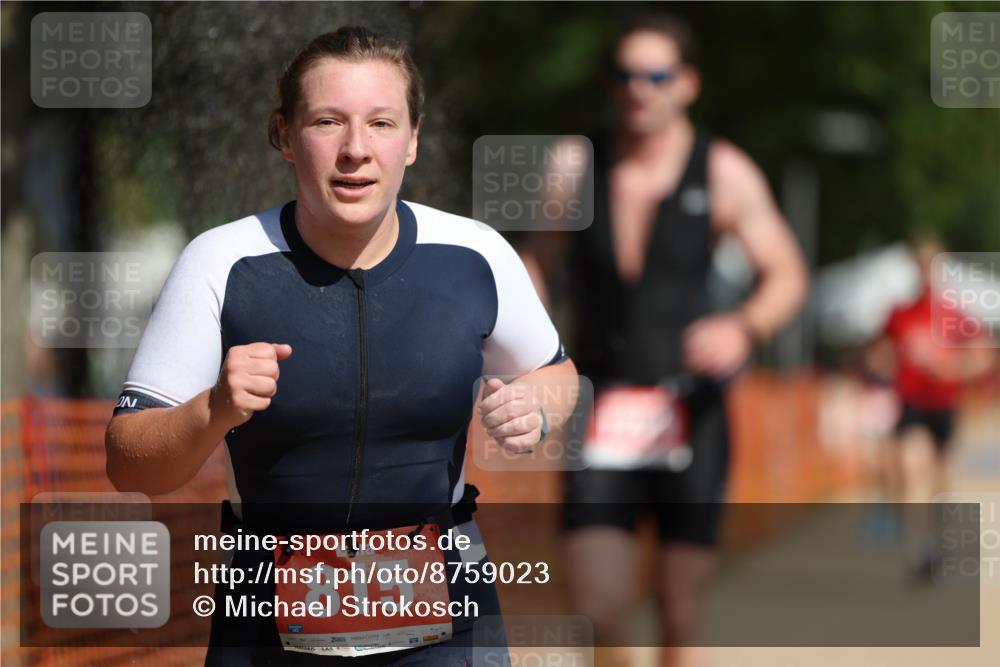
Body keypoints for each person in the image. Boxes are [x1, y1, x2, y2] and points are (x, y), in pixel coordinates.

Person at [105, 26, 578, 666]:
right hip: (266, 619)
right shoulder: (220, 263)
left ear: (413, 139)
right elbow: (129, 464)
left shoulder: (475, 255)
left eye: (382, 123)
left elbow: (557, 373)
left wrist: (537, 406)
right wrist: (213, 409)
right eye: (328, 122)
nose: (356, 149)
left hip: (444, 615)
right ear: (284, 136)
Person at [520, 13, 808, 667]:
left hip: (691, 410)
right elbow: (536, 262)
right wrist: (529, 345)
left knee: (680, 610)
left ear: (688, 84)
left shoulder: (724, 170)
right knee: (596, 606)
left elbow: (787, 273)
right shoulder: (574, 165)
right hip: (598, 407)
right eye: (625, 75)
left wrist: (744, 326)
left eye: (656, 75)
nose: (639, 89)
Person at [866, 237, 995, 578]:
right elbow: (880, 351)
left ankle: (940, 541)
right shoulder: (900, 313)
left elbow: (984, 357)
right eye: (921, 266)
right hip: (911, 402)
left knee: (941, 477)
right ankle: (917, 549)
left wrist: (950, 368)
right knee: (911, 469)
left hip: (944, 403)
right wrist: (881, 364)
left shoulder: (955, 314)